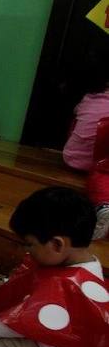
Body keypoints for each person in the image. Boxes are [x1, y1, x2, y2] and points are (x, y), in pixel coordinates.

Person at [0, 187, 108, 347]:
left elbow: (13, 326)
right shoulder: (80, 263)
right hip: (42, 336)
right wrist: (3, 284)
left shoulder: (67, 285)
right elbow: (35, 282)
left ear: (57, 244)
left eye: (29, 244)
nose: (27, 251)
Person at [61, 56, 109, 239]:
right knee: (102, 175)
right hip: (96, 164)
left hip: (71, 156)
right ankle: (104, 206)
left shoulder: (88, 98)